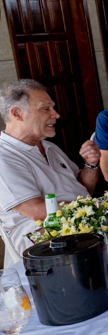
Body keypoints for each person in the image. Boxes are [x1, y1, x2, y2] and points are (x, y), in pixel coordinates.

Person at [0, 79, 101, 258]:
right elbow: (38, 211)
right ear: (17, 114)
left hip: (82, 223)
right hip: (45, 243)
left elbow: (83, 190)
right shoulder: (4, 156)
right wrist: (98, 207)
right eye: (45, 109)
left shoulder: (49, 147)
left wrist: (91, 164)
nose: (56, 114)